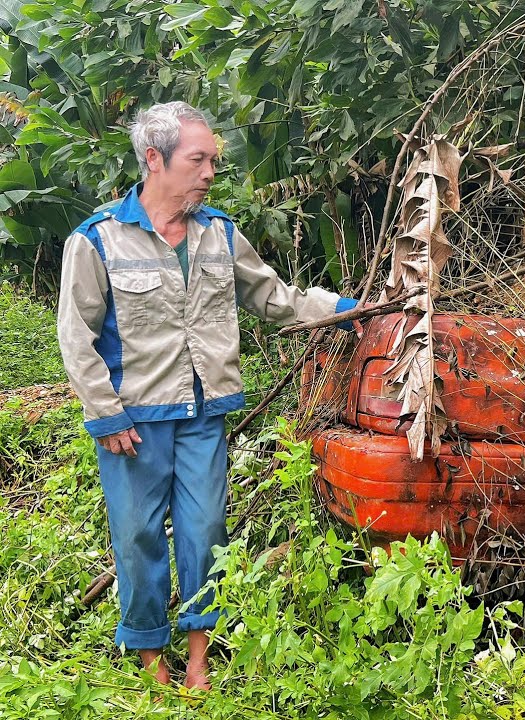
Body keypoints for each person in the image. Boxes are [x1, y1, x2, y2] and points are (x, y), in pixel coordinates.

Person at [56, 102, 358, 690]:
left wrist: (345, 309)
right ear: (154, 159)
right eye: (198, 160)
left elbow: (273, 296)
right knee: (138, 535)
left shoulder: (219, 232)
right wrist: (106, 415)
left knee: (205, 530)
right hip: (134, 420)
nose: (210, 172)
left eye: (213, 160)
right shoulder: (98, 240)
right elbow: (75, 336)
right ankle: (150, 654)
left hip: (203, 413)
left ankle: (199, 656)